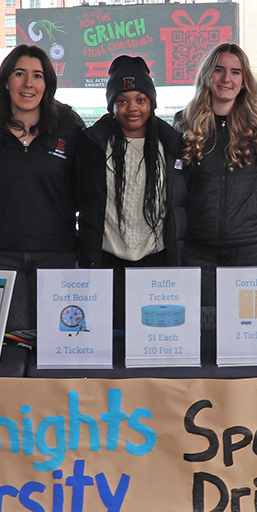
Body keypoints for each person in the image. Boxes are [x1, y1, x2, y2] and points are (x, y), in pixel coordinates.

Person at [0, 45, 85, 331]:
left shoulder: (69, 125)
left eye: (37, 76)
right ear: (7, 81)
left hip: (56, 253)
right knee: (9, 346)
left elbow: (86, 188)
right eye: (20, 74)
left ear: (47, 84)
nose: (28, 83)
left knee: (58, 341)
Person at [78, 55, 187, 325]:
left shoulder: (172, 145)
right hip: (106, 261)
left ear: (151, 103)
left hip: (157, 260)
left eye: (141, 99)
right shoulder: (92, 145)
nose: (132, 108)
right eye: (122, 100)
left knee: (153, 338)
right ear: (112, 105)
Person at [175, 43, 257, 324]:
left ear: (244, 79)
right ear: (207, 75)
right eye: (219, 70)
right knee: (202, 337)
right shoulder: (184, 124)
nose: (226, 79)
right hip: (199, 252)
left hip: (250, 250)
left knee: (253, 335)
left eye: (235, 72)